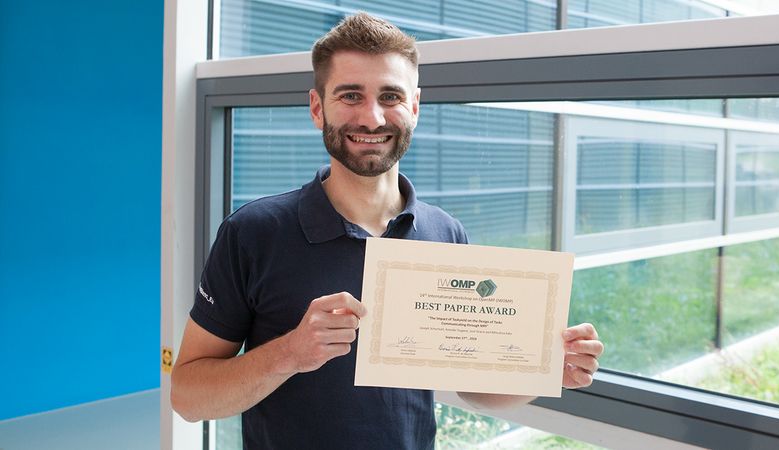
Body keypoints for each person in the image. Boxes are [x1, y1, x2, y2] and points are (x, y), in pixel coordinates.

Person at [171, 12, 604, 449]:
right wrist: (288, 354)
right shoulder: (253, 233)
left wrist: (547, 366)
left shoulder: (445, 234)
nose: (373, 118)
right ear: (318, 108)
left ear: (414, 107)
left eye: (390, 96)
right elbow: (188, 396)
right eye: (351, 95)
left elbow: (474, 384)